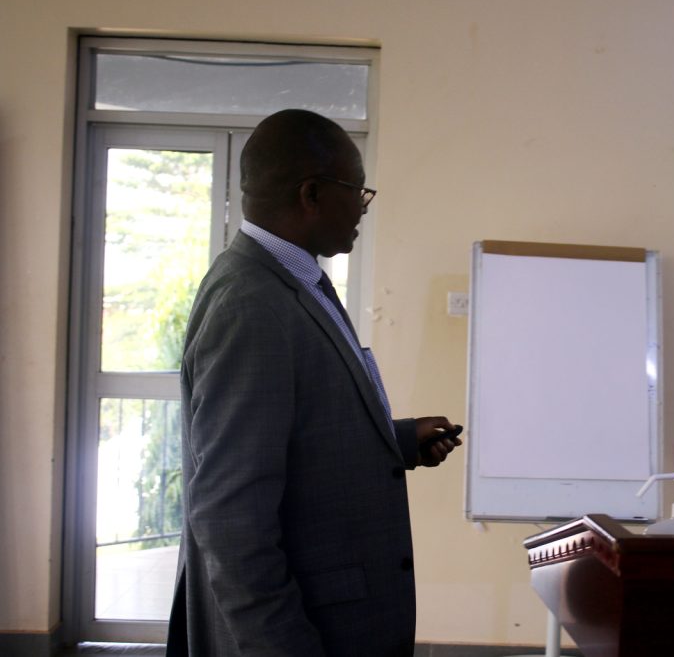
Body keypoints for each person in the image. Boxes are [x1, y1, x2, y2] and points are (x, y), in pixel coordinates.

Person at [166, 109, 462, 656]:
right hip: (306, 630)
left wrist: (395, 441)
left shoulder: (294, 284)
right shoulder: (252, 305)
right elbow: (230, 516)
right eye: (359, 192)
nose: (364, 209)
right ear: (312, 194)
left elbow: (293, 433)